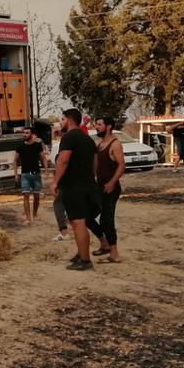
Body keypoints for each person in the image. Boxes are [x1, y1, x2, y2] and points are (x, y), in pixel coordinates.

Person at [50, 108, 99, 271]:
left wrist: (55, 182)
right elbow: (95, 163)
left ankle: (85, 261)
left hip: (74, 187)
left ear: (70, 121)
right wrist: (90, 178)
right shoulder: (88, 140)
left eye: (62, 119)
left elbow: (63, 161)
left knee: (78, 223)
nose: (60, 123)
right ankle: (81, 253)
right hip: (88, 185)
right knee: (80, 222)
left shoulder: (69, 138)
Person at [86, 117, 126, 263]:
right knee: (87, 216)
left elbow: (122, 166)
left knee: (107, 220)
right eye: (96, 124)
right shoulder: (100, 144)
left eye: (99, 124)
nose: (96, 127)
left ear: (108, 126)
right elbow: (96, 166)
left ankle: (114, 253)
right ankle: (104, 244)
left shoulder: (115, 144)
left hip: (111, 188)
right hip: (99, 187)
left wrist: (111, 183)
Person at [14, 126, 48, 225]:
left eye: (27, 133)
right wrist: (16, 174)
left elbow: (43, 158)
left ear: (32, 134)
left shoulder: (37, 145)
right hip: (24, 175)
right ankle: (28, 218)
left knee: (37, 196)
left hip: (36, 174)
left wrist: (46, 171)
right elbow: (15, 160)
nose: (25, 134)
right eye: (24, 133)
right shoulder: (20, 146)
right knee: (26, 195)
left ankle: (35, 214)